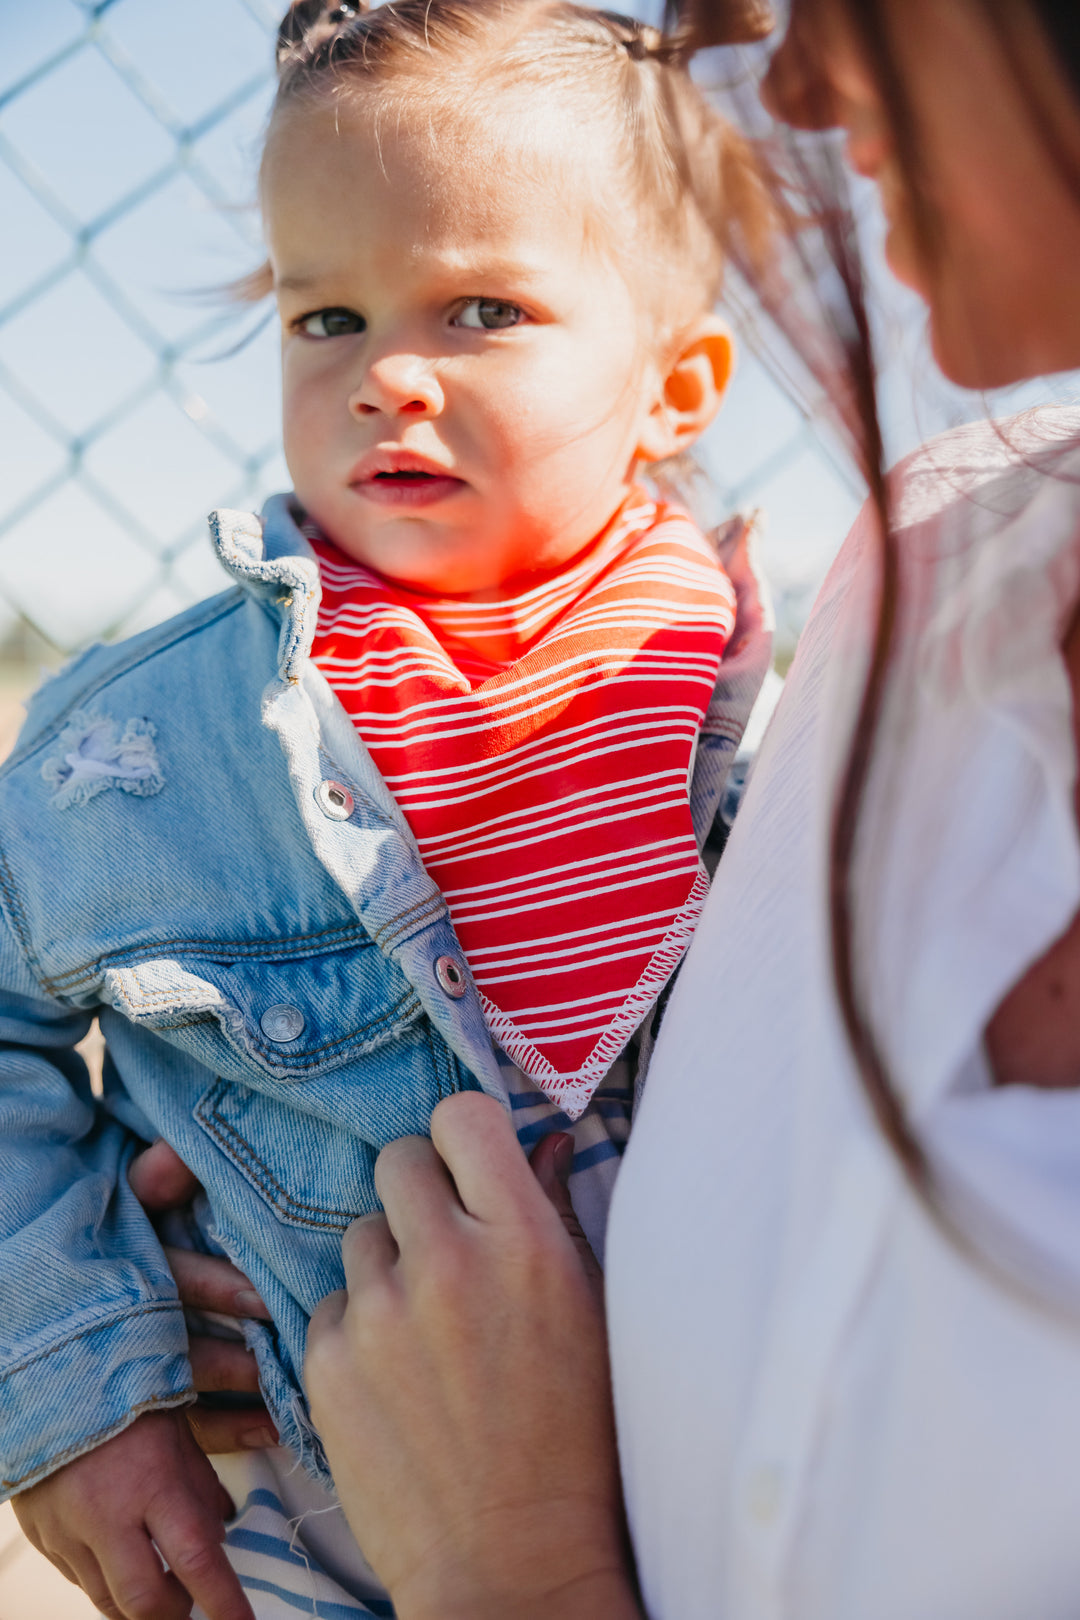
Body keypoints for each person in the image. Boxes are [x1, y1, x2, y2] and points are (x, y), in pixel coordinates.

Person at [274, 2, 1080, 1619]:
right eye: (325, 317)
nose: (776, 82)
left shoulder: (733, 673)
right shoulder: (912, 589)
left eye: (485, 307)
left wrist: (510, 1563)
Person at [0, 2, 776, 1616]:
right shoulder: (147, 742)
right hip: (313, 1514)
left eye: (482, 308)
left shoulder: (786, 710)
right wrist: (83, 1387)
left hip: (750, 1500)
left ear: (676, 385)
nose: (386, 378)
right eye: (326, 315)